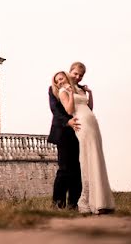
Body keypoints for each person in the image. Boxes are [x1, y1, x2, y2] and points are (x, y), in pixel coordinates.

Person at [59, 62, 115, 214]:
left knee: (97, 158)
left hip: (92, 122)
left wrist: (90, 93)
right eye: (75, 73)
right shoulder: (63, 90)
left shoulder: (80, 89)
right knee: (87, 160)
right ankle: (85, 202)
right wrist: (70, 93)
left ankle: (101, 202)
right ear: (69, 72)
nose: (78, 77)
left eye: (81, 75)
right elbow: (70, 110)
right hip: (81, 124)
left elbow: (89, 107)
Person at [48, 70, 81, 209]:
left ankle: (73, 203)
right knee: (64, 169)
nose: (60, 82)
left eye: (61, 78)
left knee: (77, 170)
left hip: (77, 131)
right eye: (57, 80)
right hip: (62, 131)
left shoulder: (76, 88)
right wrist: (68, 122)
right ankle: (57, 203)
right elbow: (55, 110)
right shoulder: (53, 90)